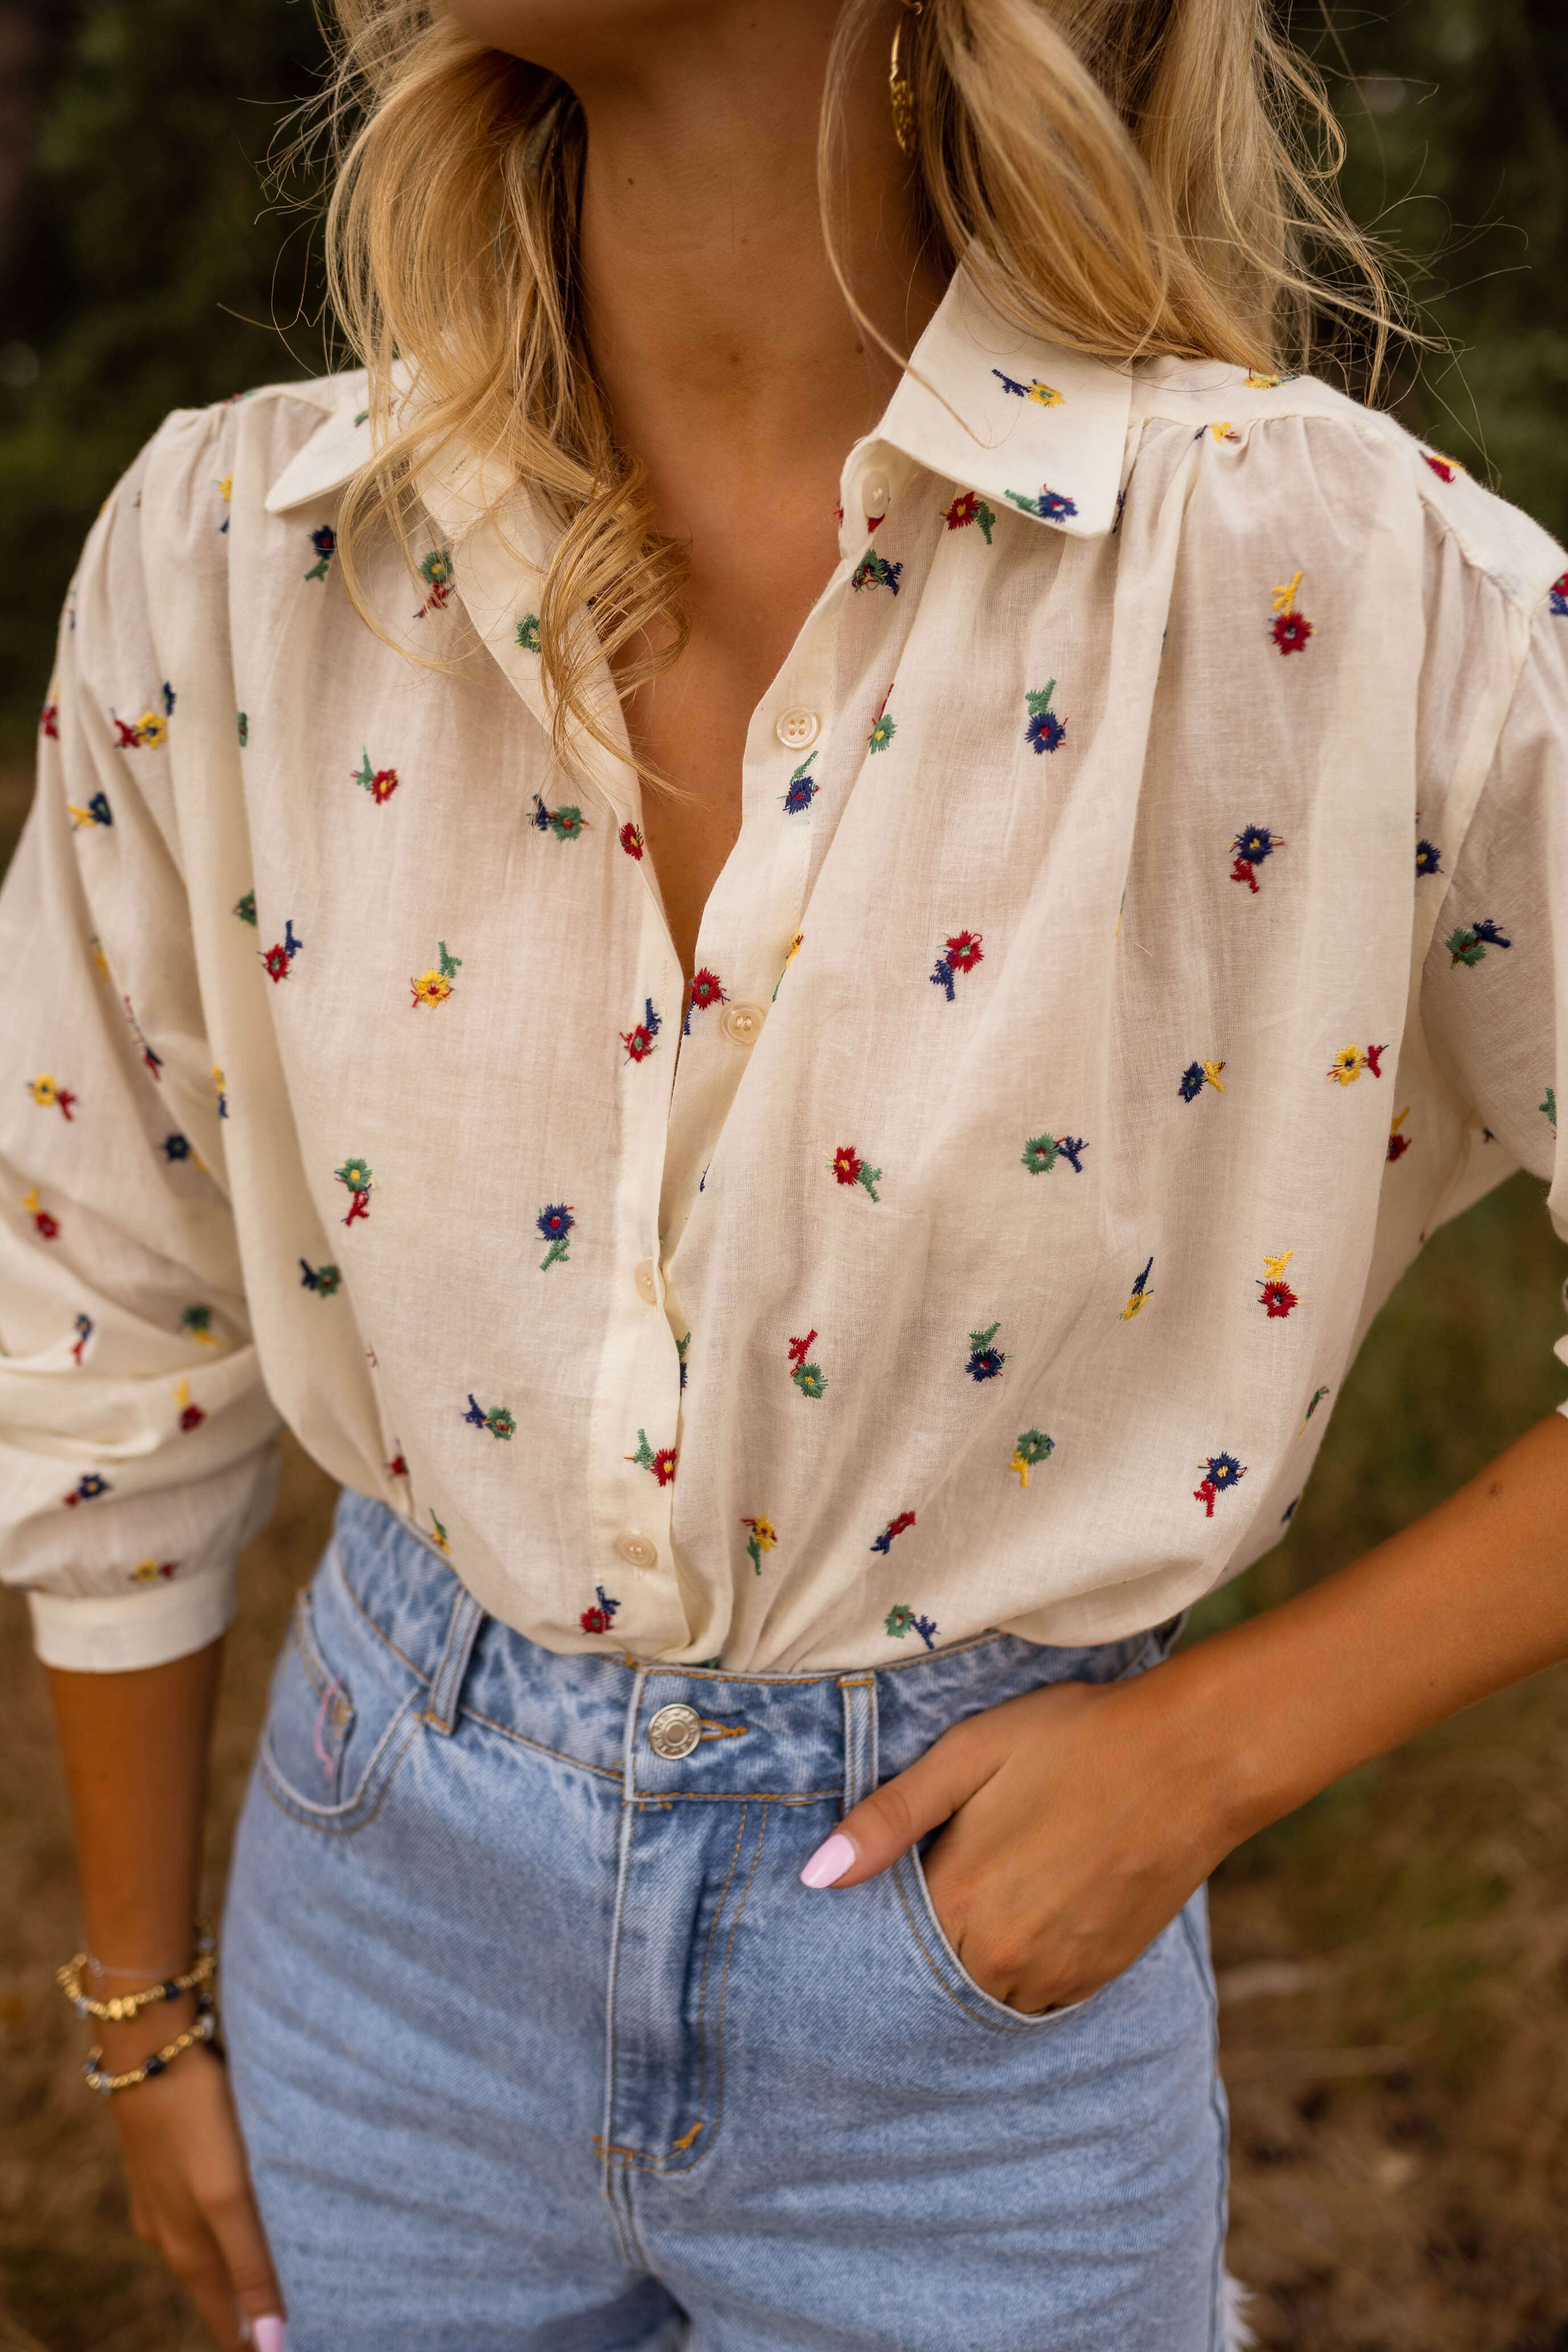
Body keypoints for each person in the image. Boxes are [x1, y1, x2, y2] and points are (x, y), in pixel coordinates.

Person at [9, 0, 1568, 2344]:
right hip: (383, 1927)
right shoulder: (234, 562)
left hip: (973, 1993)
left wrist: (1207, 1756)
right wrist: (140, 2008)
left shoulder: (1336, 598)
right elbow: (103, 1306)